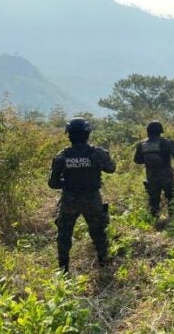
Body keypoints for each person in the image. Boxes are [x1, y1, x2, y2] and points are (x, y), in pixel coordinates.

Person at [48, 117, 116, 273]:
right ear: (88, 134)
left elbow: (53, 183)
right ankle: (104, 264)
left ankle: (63, 270)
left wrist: (68, 183)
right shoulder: (96, 153)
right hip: (92, 199)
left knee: (64, 233)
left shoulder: (62, 156)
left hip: (69, 200)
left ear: (69, 135)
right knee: (98, 231)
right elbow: (111, 168)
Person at [134, 121, 174, 218]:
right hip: (166, 176)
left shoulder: (142, 144)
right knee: (172, 198)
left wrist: (148, 160)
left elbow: (137, 160)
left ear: (148, 131)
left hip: (151, 176)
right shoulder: (165, 142)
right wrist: (173, 144)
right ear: (160, 131)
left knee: (153, 200)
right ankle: (173, 219)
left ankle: (154, 220)